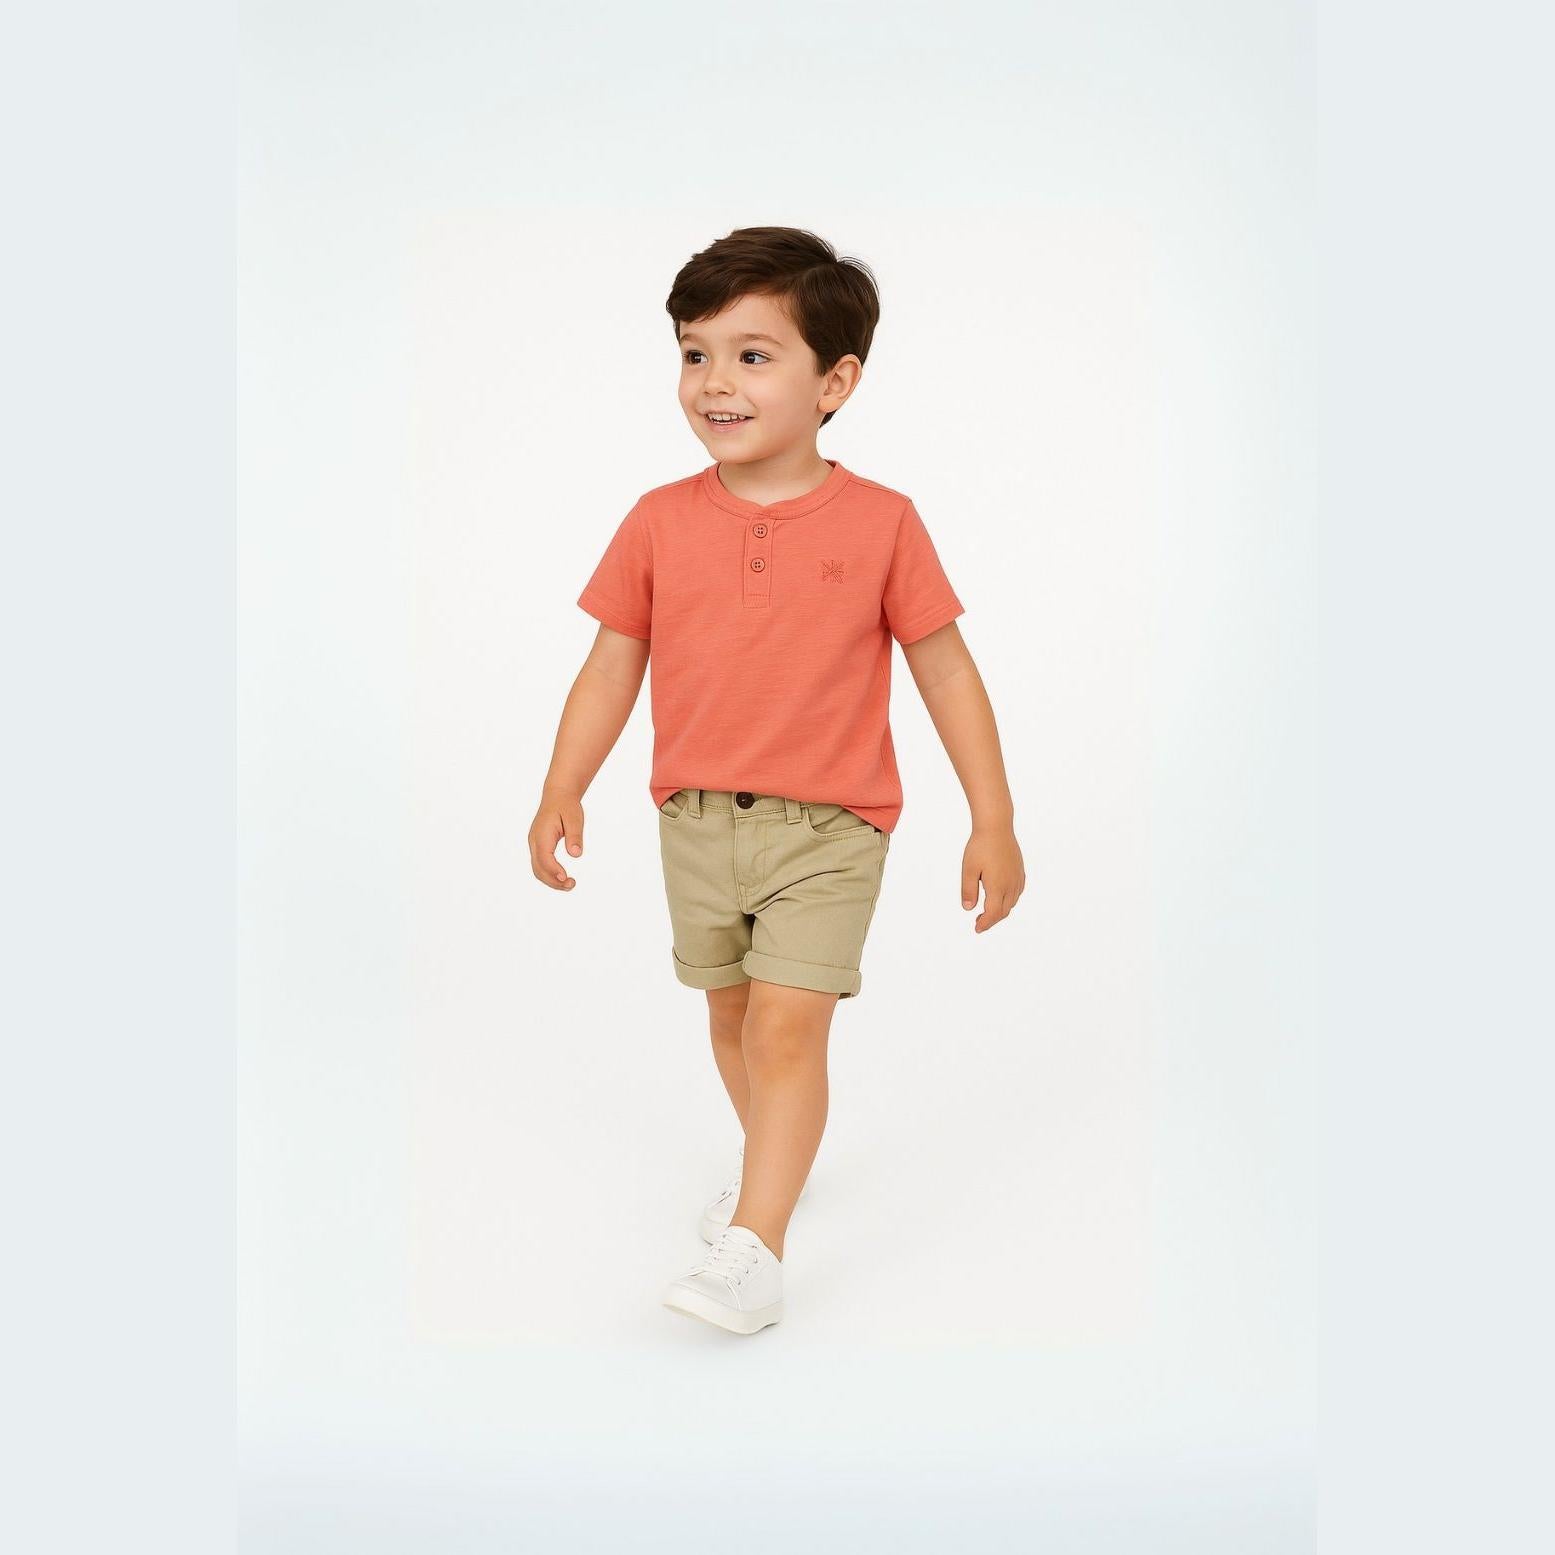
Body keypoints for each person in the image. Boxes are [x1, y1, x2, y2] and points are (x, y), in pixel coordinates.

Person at [529, 226, 1025, 1335]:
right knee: (733, 1019)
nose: (715, 382)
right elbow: (613, 661)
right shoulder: (658, 520)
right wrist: (562, 781)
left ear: (835, 381)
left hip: (831, 826)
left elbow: (945, 670)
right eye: (695, 352)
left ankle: (756, 1244)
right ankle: (774, 1168)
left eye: (752, 356)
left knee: (789, 1029)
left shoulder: (884, 522)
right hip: (696, 819)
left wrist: (992, 817)